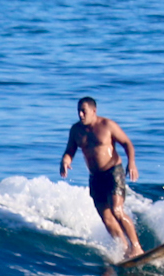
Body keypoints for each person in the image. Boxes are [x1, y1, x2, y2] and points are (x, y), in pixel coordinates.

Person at [59, 96, 141, 260]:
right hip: (95, 177)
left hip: (113, 172)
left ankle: (136, 247)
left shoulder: (107, 125)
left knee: (117, 211)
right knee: (107, 218)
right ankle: (125, 250)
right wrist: (65, 160)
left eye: (84, 111)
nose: (81, 115)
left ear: (94, 111)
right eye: (79, 111)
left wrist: (131, 163)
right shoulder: (76, 130)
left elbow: (127, 143)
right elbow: (70, 150)